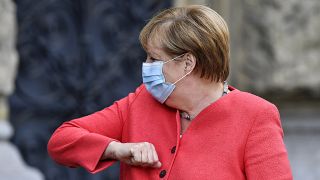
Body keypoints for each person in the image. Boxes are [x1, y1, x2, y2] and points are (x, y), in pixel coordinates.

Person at [48, 5, 293, 179]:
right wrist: (118, 149)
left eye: (155, 58)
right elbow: (62, 141)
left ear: (188, 63)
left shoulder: (255, 115)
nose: (146, 65)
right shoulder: (140, 101)